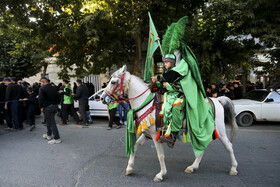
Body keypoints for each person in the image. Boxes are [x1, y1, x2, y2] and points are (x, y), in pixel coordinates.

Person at [151, 16, 214, 156]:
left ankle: (173, 135)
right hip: (170, 94)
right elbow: (165, 82)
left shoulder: (182, 66)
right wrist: (157, 83)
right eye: (165, 62)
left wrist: (162, 81)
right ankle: (162, 129)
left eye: (168, 62)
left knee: (177, 105)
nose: (166, 64)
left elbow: (175, 83)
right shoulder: (170, 71)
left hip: (182, 94)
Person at [39, 77, 61, 144]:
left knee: (51, 122)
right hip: (54, 106)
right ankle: (49, 134)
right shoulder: (54, 87)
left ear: (43, 82)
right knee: (49, 121)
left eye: (41, 82)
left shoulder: (42, 88)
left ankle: (57, 138)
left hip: (48, 107)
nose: (40, 84)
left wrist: (41, 107)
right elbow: (58, 97)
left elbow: (40, 99)